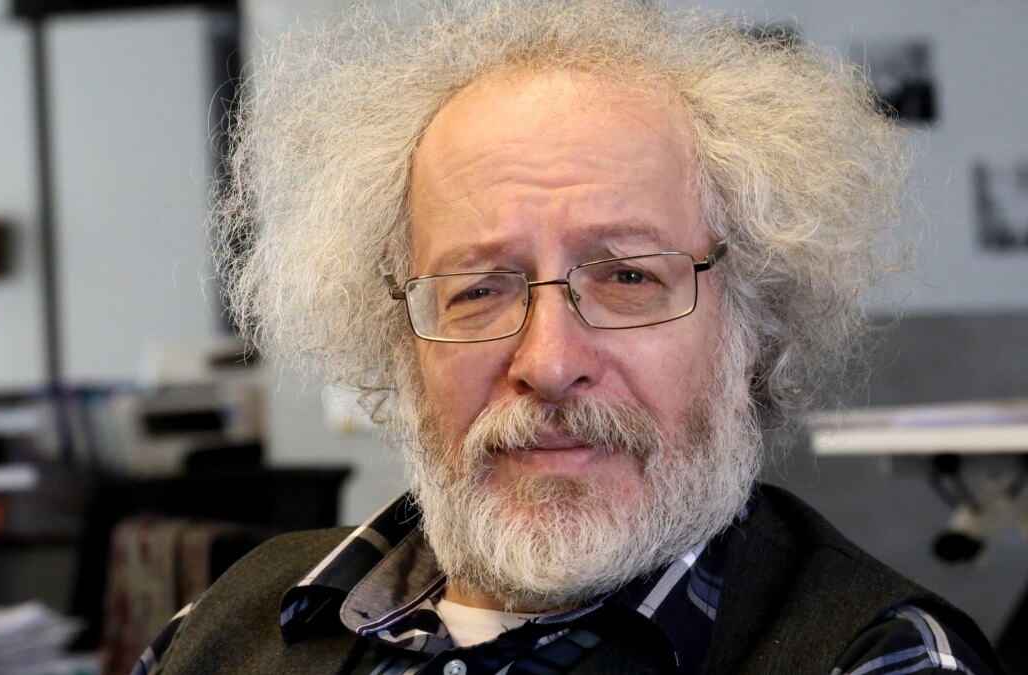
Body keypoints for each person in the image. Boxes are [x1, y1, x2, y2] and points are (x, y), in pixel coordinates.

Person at [137, 1, 1003, 673]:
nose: (549, 362)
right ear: (398, 338)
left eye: (628, 279)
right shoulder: (220, 626)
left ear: (751, 322)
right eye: (478, 290)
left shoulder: (878, 656)